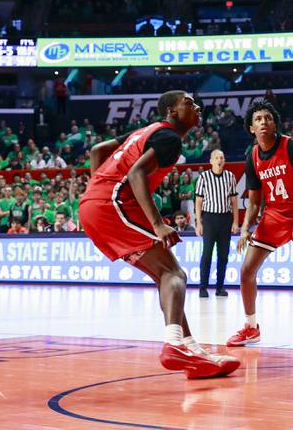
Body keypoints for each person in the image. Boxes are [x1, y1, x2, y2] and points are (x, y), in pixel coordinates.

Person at [79, 90, 239, 379]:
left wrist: (97, 186)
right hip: (111, 205)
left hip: (99, 204)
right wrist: (157, 224)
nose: (197, 107)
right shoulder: (169, 138)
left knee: (166, 274)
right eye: (189, 103)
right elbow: (138, 174)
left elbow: (97, 151)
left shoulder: (144, 131)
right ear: (172, 112)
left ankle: (191, 350)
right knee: (174, 275)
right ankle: (175, 343)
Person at [228, 99, 293, 347]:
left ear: (275, 123)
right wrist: (245, 228)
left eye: (268, 118)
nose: (263, 122)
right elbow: (254, 201)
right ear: (251, 128)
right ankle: (251, 327)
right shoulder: (252, 156)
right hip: (275, 215)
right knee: (246, 271)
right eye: (258, 119)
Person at [195, 149, 238, 298]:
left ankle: (220, 287)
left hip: (225, 219)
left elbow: (234, 201)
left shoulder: (230, 176)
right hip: (209, 219)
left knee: (223, 255)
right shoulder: (204, 177)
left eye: (222, 157)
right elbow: (198, 201)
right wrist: (198, 222)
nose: (220, 160)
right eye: (217, 158)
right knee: (207, 254)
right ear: (211, 161)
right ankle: (203, 287)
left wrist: (235, 222)